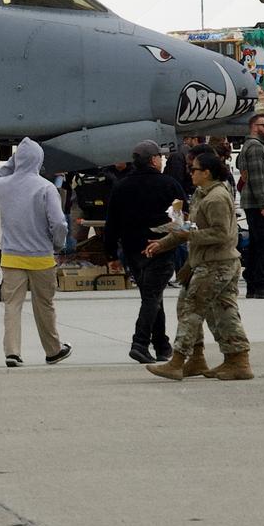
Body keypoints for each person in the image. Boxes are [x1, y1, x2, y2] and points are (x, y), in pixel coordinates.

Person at [144, 148, 252, 380]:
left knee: (191, 309)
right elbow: (191, 227)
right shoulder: (204, 194)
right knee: (222, 311)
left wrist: (188, 237)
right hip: (208, 261)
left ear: (207, 172)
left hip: (216, 263)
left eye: (194, 169)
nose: (190, 173)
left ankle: (178, 361)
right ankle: (228, 359)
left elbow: (221, 233)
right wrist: (164, 243)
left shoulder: (216, 198)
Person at [0, 138, 73, 367]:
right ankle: (53, 349)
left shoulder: (4, 186)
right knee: (44, 305)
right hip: (41, 257)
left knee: (12, 306)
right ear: (39, 160)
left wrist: (12, 163)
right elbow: (59, 223)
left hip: (12, 257)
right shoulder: (45, 187)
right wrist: (57, 244)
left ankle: (12, 352)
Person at [105, 139, 186, 363]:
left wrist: (111, 254)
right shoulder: (169, 184)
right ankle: (140, 343)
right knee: (152, 297)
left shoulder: (121, 186)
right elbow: (182, 217)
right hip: (161, 247)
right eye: (160, 156)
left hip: (132, 250)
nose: (162, 160)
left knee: (151, 295)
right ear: (153, 160)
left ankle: (162, 344)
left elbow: (111, 222)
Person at [235, 113, 264, 299]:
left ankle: (253, 285)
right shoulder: (255, 148)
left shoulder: (250, 147)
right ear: (254, 127)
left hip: (253, 203)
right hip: (257, 203)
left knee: (256, 245)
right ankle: (263, 286)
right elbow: (256, 178)